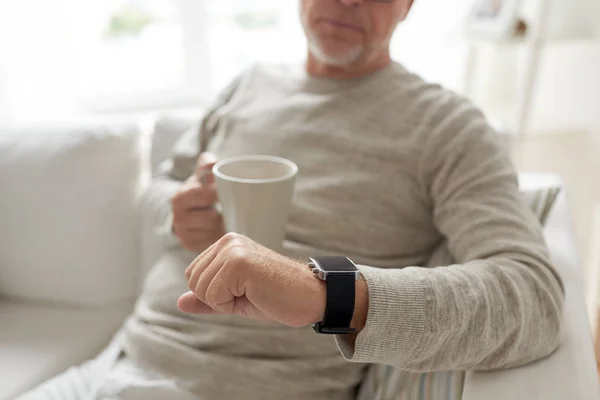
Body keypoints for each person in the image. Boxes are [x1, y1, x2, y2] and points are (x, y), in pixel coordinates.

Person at [22, 0, 564, 399]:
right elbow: (164, 185)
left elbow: (532, 297)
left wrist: (325, 292)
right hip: (113, 366)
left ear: (409, 6)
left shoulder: (447, 127)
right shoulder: (248, 85)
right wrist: (177, 210)